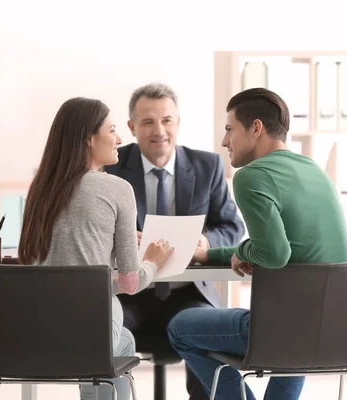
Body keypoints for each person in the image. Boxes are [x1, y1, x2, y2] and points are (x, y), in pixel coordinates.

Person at [166, 88, 347, 400]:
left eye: (229, 129)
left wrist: (242, 250)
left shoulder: (251, 176)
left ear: (255, 128)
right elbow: (279, 245)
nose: (225, 141)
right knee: (294, 328)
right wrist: (213, 253)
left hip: (287, 331)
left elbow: (275, 254)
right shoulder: (312, 169)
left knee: (180, 327)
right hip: (339, 328)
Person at [18, 97, 174, 400]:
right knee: (117, 347)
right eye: (113, 130)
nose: (119, 139)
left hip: (37, 327)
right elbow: (131, 282)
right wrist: (153, 262)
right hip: (91, 329)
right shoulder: (117, 188)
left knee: (124, 341)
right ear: (89, 139)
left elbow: (55, 270)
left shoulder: (40, 188)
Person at [104, 83, 245, 399]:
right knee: (100, 331)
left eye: (167, 120)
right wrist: (120, 238)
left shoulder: (207, 166)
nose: (159, 131)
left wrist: (206, 243)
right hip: (131, 290)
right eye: (148, 122)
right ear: (131, 127)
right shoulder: (111, 167)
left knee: (207, 334)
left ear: (178, 122)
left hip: (188, 291)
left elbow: (231, 225)